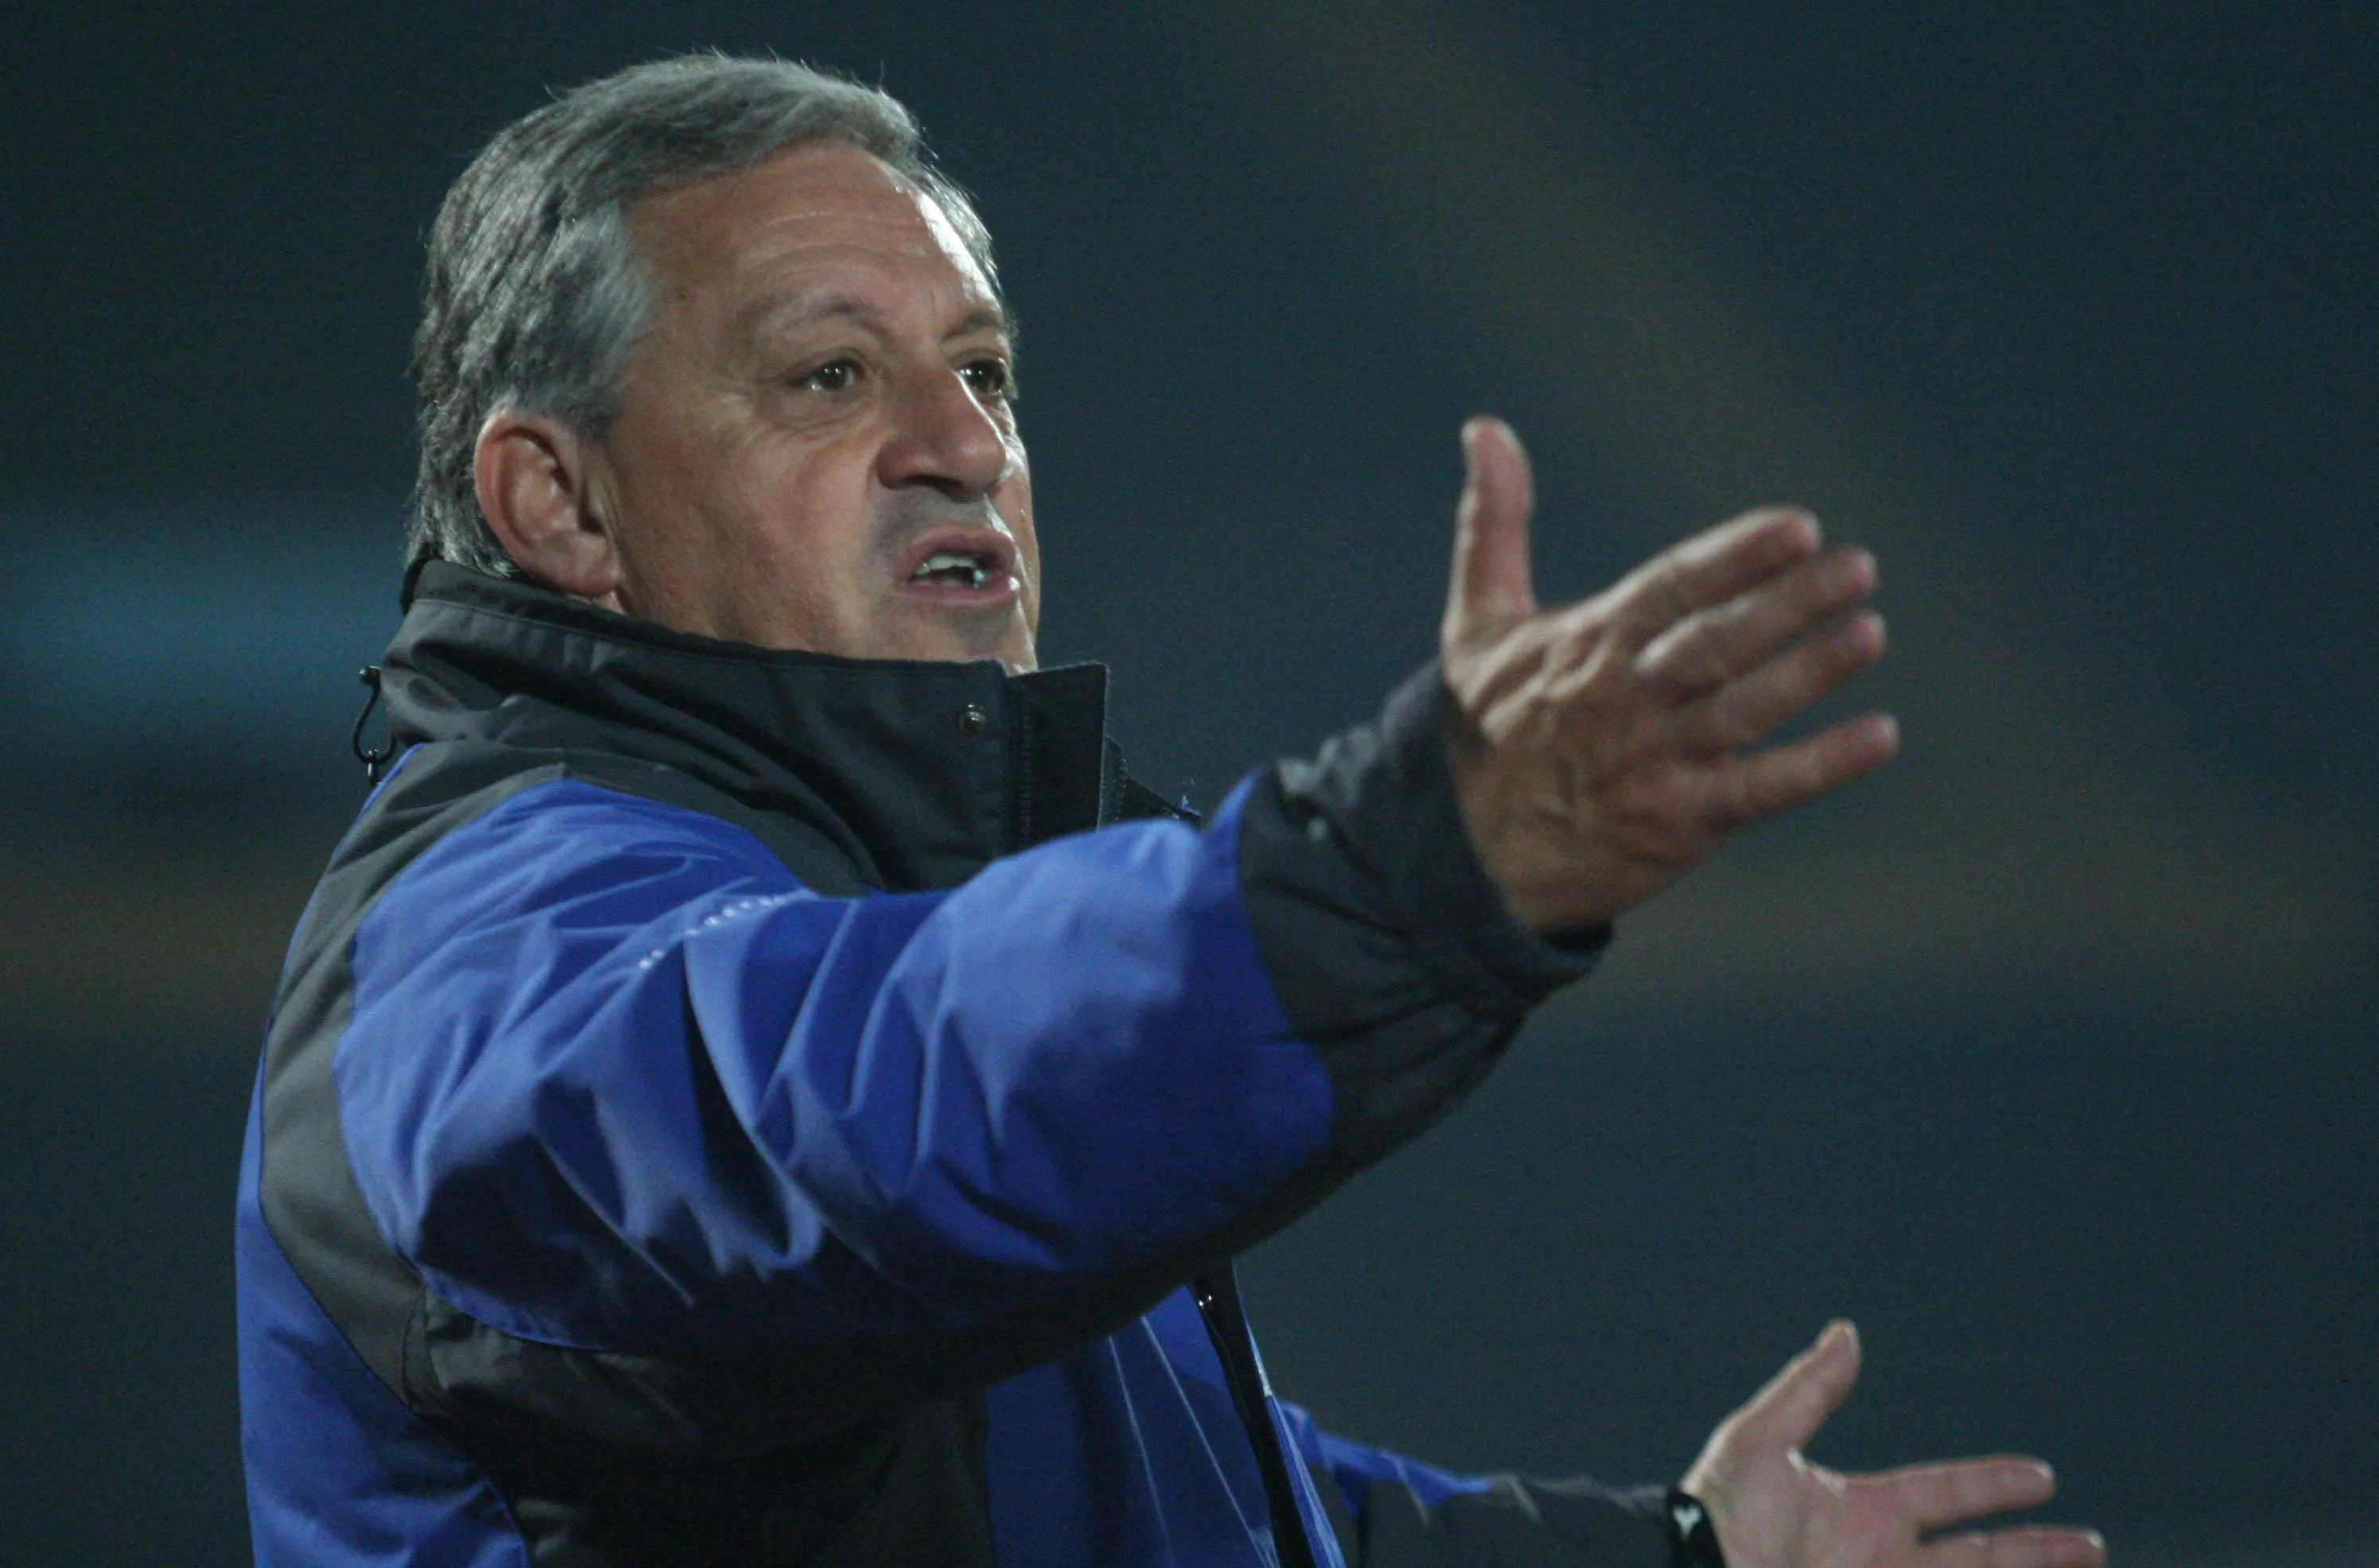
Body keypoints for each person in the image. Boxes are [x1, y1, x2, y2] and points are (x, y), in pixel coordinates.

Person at [236, 54, 2105, 1568]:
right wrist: (1398, 872)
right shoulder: (483, 932)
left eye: (982, 372)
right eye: (826, 374)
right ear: (560, 505)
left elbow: (1182, 1510)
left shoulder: (883, 911)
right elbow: (849, 1110)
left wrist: (1686, 1558)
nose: (962, 442)